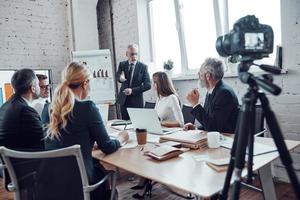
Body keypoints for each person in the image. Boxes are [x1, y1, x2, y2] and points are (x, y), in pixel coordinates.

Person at [40, 62, 129, 200]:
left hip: (51, 182)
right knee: (109, 178)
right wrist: (122, 138)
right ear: (85, 83)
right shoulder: (88, 107)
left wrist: (87, 144)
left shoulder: (48, 109)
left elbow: (64, 140)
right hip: (81, 184)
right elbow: (107, 147)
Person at [184, 57, 239, 133]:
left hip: (228, 140)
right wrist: (196, 128)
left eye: (200, 73)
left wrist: (195, 104)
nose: (198, 76)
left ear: (208, 76)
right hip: (217, 137)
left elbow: (214, 128)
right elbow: (210, 122)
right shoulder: (211, 91)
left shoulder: (224, 93)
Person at [0, 68, 44, 150]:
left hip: (8, 160)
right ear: (33, 88)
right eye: (38, 84)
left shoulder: (4, 107)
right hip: (25, 160)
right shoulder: (26, 111)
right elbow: (43, 141)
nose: (40, 87)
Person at [116, 44, 151, 120]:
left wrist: (132, 91)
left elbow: (148, 85)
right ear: (127, 54)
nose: (134, 56)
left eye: (136, 54)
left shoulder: (143, 67)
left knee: (137, 126)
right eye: (132, 54)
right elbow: (117, 76)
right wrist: (120, 78)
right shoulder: (122, 64)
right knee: (124, 125)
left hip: (136, 102)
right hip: (124, 101)